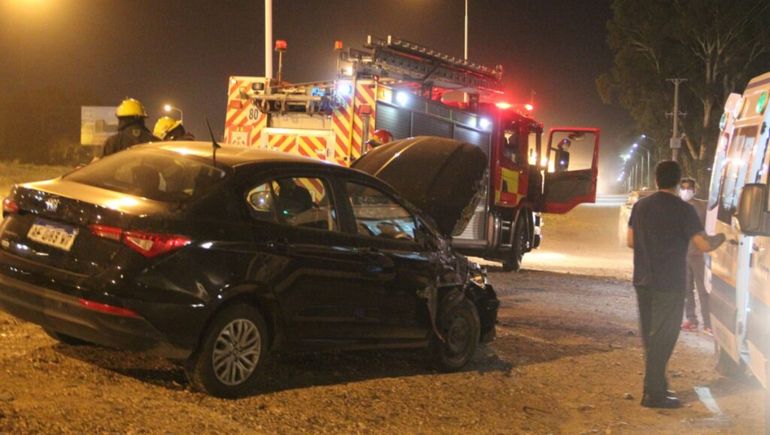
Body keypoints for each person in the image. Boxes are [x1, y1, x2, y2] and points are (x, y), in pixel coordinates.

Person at [627, 161, 725, 409]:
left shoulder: (640, 206)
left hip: (643, 280)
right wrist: (724, 237)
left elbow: (630, 241)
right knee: (665, 336)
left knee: (651, 337)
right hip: (669, 282)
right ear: (679, 182)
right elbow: (703, 245)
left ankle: (656, 387)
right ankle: (654, 393)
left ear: (656, 179)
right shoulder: (684, 210)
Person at [678, 177, 711, 335]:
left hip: (699, 255)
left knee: (703, 290)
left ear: (694, 190)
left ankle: (708, 323)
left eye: (689, 188)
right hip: (683, 255)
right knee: (686, 289)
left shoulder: (703, 207)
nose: (686, 191)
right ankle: (691, 320)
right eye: (683, 188)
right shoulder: (676, 206)